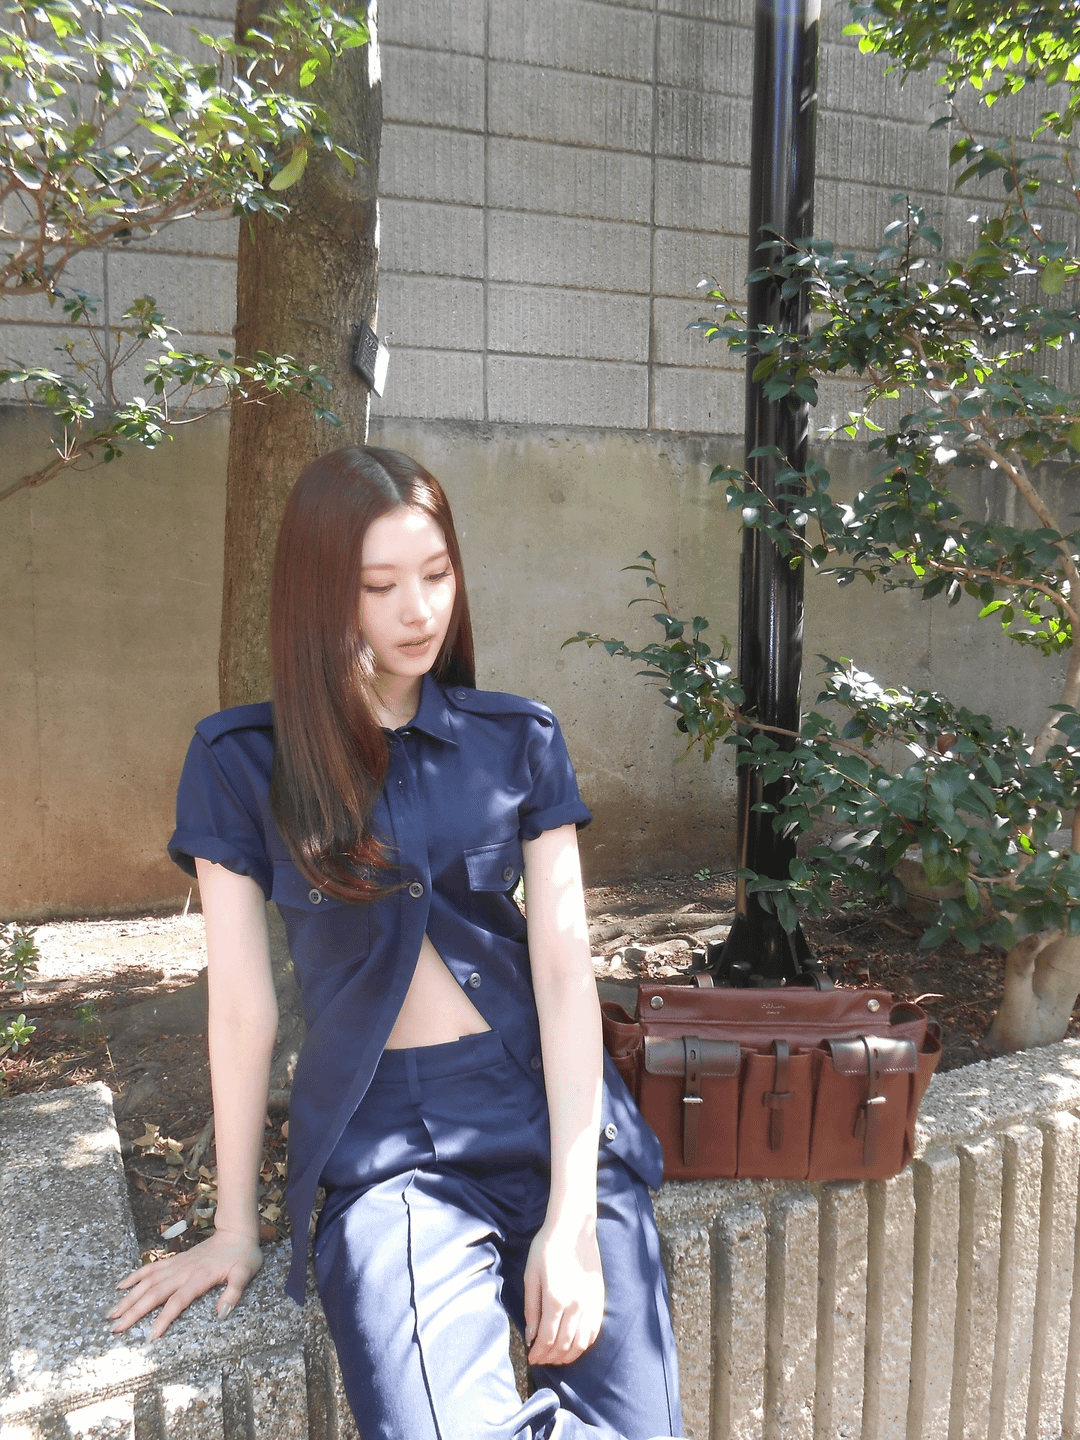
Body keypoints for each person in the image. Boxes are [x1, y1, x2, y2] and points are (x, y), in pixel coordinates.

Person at [108, 446, 683, 1440]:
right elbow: (241, 1009)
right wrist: (236, 1227)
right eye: (380, 587)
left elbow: (561, 973)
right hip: (389, 1154)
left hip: (544, 1109)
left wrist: (572, 1219)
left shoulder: (520, 740)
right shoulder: (239, 761)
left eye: (437, 574)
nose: (419, 612)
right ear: (320, 594)